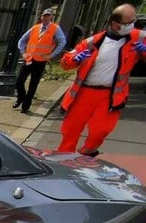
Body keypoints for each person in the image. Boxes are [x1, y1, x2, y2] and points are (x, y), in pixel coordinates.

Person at [58, 3, 146, 156]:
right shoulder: (93, 42)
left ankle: (87, 151)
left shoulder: (138, 37)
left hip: (110, 96)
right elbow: (66, 61)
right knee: (71, 129)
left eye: (133, 21)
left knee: (102, 129)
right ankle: (63, 157)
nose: (132, 25)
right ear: (115, 24)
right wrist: (74, 59)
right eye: (128, 23)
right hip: (84, 93)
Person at [13, 8, 66, 113]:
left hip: (41, 60)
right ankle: (21, 97)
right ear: (41, 17)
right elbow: (22, 40)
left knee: (33, 84)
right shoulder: (35, 28)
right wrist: (23, 53)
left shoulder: (55, 28)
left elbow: (62, 42)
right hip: (29, 58)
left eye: (48, 16)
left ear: (51, 17)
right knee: (19, 81)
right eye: (44, 16)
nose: (46, 18)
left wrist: (51, 55)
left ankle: (26, 105)